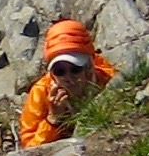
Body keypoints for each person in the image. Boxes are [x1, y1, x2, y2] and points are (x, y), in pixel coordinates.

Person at [19, 19, 118, 149]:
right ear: (52, 73)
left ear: (88, 68)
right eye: (60, 71)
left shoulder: (107, 79)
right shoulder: (40, 92)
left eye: (75, 69)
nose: (68, 77)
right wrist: (53, 119)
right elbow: (30, 146)